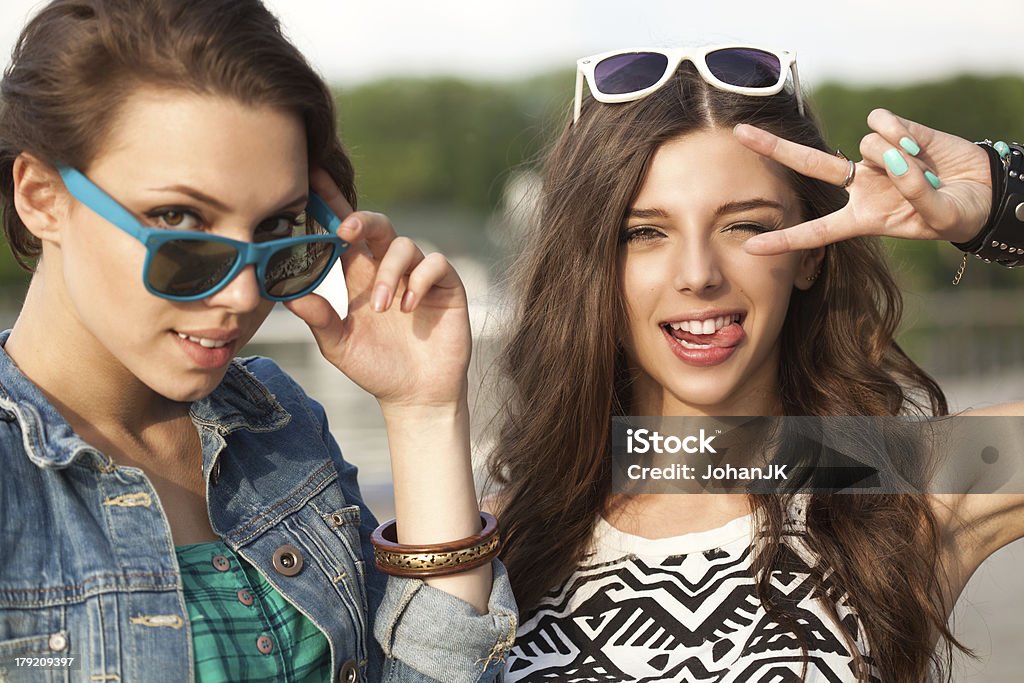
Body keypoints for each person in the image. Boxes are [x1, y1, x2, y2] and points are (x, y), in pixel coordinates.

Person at [0, 1, 516, 681]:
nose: (244, 295)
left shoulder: (276, 423)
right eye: (180, 222)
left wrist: (424, 410)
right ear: (41, 197)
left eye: (276, 231)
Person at [488, 45, 1023, 682]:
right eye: (645, 232)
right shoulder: (510, 528)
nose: (698, 276)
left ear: (812, 253)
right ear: (592, 266)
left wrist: (1000, 200)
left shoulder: (900, 481)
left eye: (742, 226)